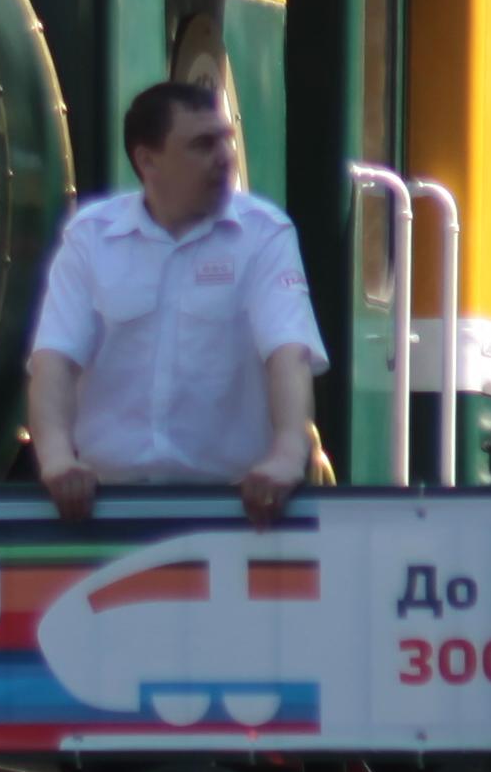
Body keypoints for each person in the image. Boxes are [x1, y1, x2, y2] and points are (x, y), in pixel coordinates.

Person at [25, 79, 324, 520]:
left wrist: (285, 457)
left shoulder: (263, 234)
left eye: (226, 140)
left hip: (234, 509)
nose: (225, 157)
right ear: (148, 160)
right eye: (202, 145)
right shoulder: (91, 238)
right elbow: (54, 360)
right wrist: (57, 462)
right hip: (106, 509)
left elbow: (289, 352)